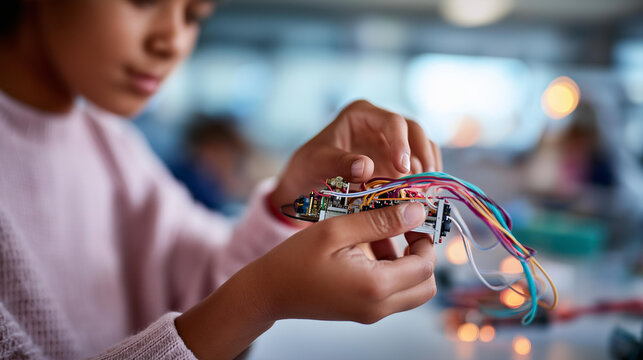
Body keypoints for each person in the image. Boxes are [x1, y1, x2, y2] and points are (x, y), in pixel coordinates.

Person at [0, 1, 443, 359]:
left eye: (193, 15)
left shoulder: (112, 145)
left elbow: (205, 284)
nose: (172, 41)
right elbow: (229, 301)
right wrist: (260, 300)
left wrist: (290, 195)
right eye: (143, 1)